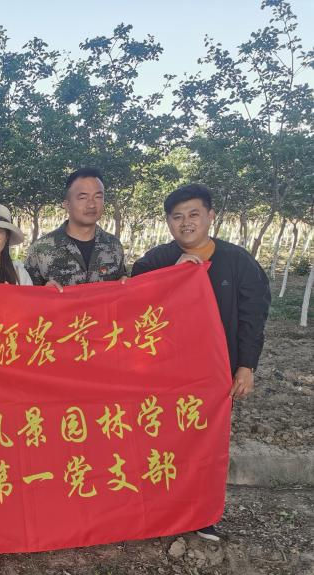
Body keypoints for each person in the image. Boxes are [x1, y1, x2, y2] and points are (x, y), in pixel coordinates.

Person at [132, 183, 271, 542]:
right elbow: (132, 301)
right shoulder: (155, 261)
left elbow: (253, 316)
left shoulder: (238, 262)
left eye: (194, 214)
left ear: (210, 216)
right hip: (163, 375)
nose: (186, 223)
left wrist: (246, 366)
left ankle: (200, 514)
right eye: (177, 217)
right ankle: (156, 509)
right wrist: (171, 276)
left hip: (214, 376)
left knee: (205, 444)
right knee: (160, 440)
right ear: (168, 222)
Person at [25, 167, 126, 289]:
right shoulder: (41, 249)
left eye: (98, 197)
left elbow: (121, 287)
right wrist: (44, 292)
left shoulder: (114, 246)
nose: (91, 204)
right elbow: (27, 294)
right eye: (83, 197)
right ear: (67, 204)